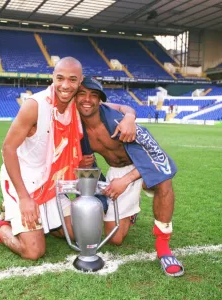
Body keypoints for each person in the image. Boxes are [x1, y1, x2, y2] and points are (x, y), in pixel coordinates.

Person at [0, 57, 137, 260]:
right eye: (60, 78)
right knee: (33, 251)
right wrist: (25, 198)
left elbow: (123, 109)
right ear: (53, 77)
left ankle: (30, 220)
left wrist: (130, 118)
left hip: (52, 185)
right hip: (25, 182)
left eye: (72, 80)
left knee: (80, 236)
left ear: (80, 82)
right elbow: (8, 149)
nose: (65, 85)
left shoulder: (78, 104)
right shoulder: (34, 106)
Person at [76, 77, 184, 277]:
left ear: (100, 100)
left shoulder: (118, 120)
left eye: (93, 95)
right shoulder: (75, 126)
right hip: (118, 170)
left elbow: (160, 159)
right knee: (115, 239)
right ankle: (132, 211)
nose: (87, 99)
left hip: (142, 163)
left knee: (163, 182)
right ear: (74, 97)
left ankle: (163, 247)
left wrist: (129, 118)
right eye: (81, 94)